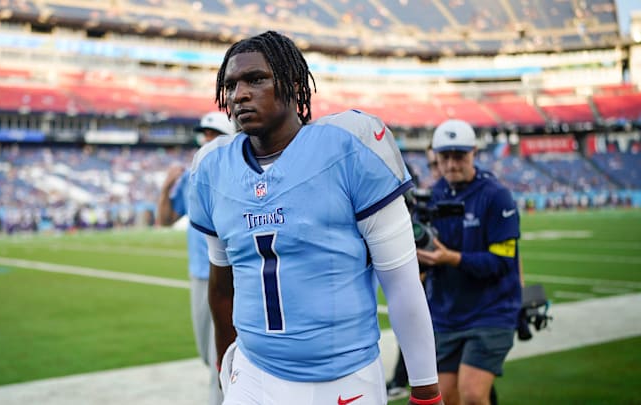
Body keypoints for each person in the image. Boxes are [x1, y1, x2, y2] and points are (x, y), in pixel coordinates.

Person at [188, 30, 443, 405]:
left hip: (345, 376)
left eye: (256, 79)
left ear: (293, 85)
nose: (239, 94)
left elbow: (403, 283)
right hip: (255, 373)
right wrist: (226, 365)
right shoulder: (213, 168)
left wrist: (426, 390)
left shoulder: (350, 147)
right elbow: (221, 287)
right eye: (230, 85)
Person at [417, 119, 522, 405]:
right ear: (435, 157)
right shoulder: (433, 195)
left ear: (474, 153)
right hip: (446, 313)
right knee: (446, 398)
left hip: (491, 310)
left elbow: (502, 262)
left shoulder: (496, 195)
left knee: (473, 395)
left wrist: (451, 258)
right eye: (444, 157)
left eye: (459, 156)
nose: (451, 164)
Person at [156, 111, 236, 405]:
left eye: (214, 134)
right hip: (199, 274)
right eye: (205, 134)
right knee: (207, 353)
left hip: (228, 276)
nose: (207, 140)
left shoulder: (237, 173)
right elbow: (165, 220)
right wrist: (166, 188)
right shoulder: (194, 175)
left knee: (221, 357)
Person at [387, 143, 442, 401]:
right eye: (433, 164)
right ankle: (402, 379)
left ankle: (403, 379)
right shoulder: (424, 203)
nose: (438, 168)